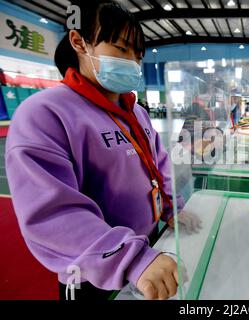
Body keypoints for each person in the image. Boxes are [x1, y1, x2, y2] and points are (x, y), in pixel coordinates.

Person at [5, 0, 200, 301]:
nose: (132, 62)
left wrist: (172, 206)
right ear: (78, 41)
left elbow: (159, 164)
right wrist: (129, 258)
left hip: (148, 246)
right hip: (92, 268)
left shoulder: (136, 111)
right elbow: (54, 213)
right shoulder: (44, 114)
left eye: (137, 55)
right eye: (121, 49)